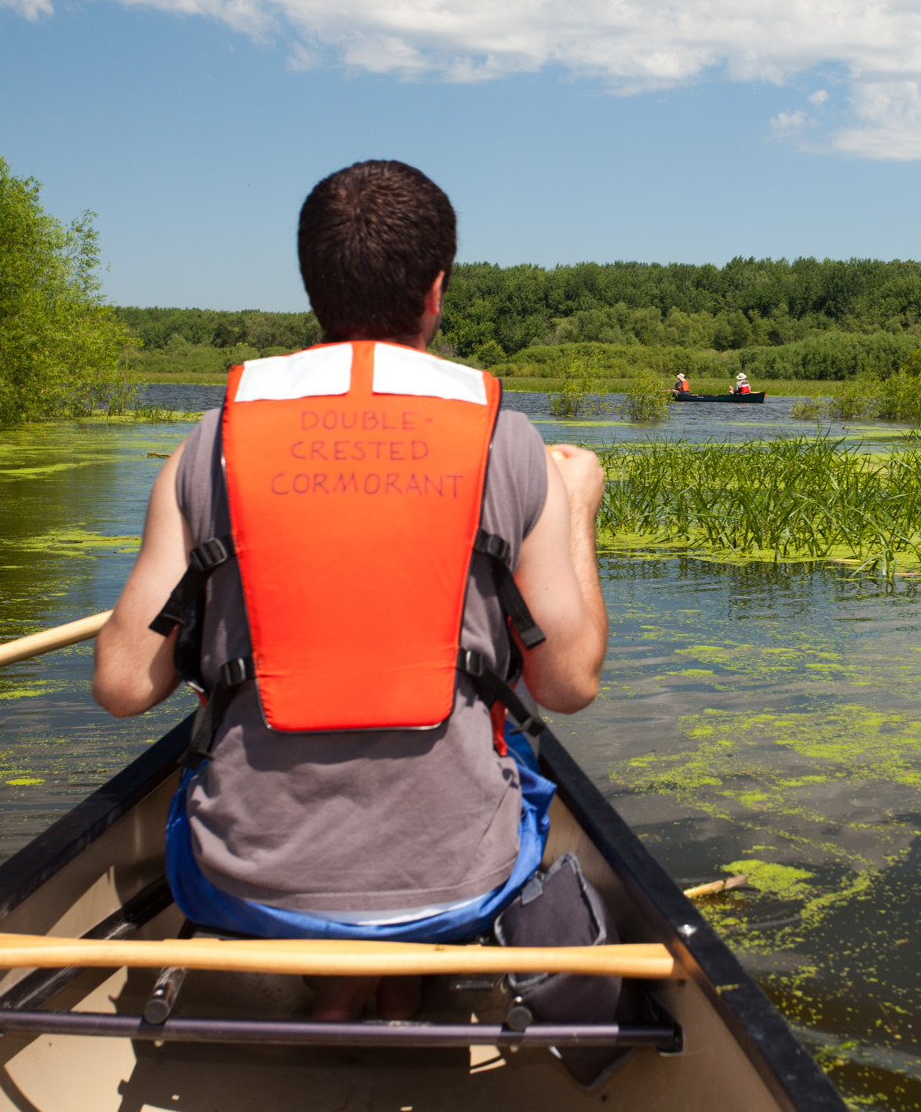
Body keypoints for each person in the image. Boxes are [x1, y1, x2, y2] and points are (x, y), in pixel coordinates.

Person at [93, 160, 609, 1031]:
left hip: (239, 880)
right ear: (436, 290)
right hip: (462, 880)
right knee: (515, 777)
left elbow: (122, 684)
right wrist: (579, 508)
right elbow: (568, 683)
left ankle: (346, 984)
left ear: (313, 287)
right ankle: (397, 976)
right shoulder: (509, 442)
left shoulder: (211, 442)